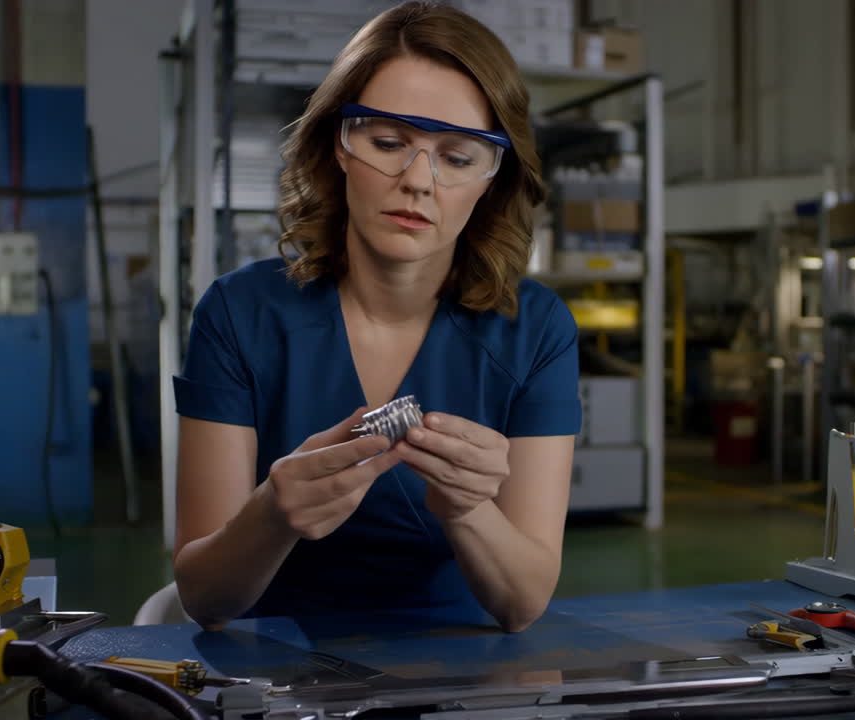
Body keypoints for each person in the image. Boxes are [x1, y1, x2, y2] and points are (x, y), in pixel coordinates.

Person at [171, 1, 581, 633]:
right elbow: (203, 596)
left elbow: (522, 604)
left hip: (462, 673)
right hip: (280, 668)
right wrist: (273, 514)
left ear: (493, 179)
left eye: (457, 156)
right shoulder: (239, 315)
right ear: (339, 143)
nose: (418, 179)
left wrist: (468, 508)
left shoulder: (535, 330)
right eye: (388, 142)